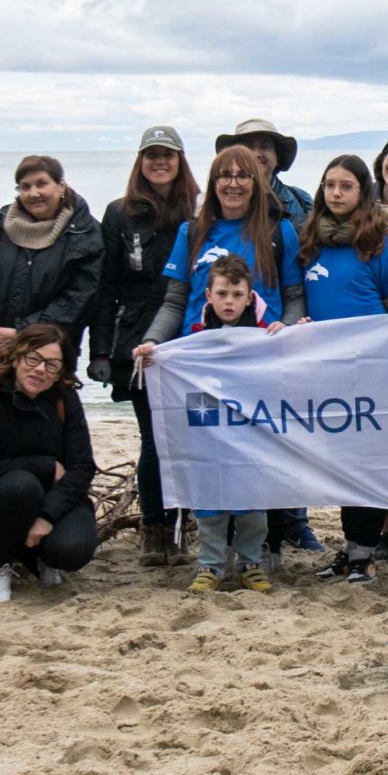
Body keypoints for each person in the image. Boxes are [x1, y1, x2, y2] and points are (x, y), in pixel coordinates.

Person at [298, 154, 388, 583]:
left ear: (362, 192)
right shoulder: (309, 242)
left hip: (368, 379)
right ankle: (351, 550)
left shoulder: (381, 244)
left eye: (346, 186)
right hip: (321, 377)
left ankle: (363, 554)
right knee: (335, 465)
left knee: (364, 465)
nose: (335, 193)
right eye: (329, 185)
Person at [88, 127, 197, 562]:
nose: (160, 162)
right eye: (151, 154)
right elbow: (105, 286)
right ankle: (155, 526)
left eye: (167, 154)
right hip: (135, 341)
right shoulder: (119, 214)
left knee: (189, 437)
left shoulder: (197, 210)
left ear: (179, 160)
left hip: (187, 338)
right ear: (140, 161)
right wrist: (98, 351)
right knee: (155, 439)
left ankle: (183, 521)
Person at [137, 255, 277, 593]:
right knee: (209, 503)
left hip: (250, 430)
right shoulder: (194, 335)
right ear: (209, 295)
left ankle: (250, 562)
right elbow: (175, 367)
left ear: (250, 296)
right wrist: (152, 353)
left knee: (252, 504)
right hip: (208, 429)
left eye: (237, 294)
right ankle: (211, 565)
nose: (229, 301)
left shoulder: (267, 331)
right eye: (223, 293)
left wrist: (293, 335)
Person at [0, 323, 99, 602]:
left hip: (58, 500)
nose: (40, 370)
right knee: (20, 485)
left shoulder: (66, 400)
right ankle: (1, 565)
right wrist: (44, 465)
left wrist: (47, 516)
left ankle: (38, 557)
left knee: (71, 550)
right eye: (33, 359)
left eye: (52, 365)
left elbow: (83, 466)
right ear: (16, 357)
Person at [133, 143, 308, 349]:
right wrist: (153, 341)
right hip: (200, 352)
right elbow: (174, 302)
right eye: (225, 175)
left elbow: (294, 296)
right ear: (214, 183)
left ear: (256, 183)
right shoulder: (191, 232)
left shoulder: (280, 231)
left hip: (262, 352)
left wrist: (286, 326)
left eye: (243, 176)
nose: (233, 184)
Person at [0, 154, 104, 377]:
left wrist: (23, 333)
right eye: (25, 186)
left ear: (61, 186)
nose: (34, 193)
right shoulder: (1, 224)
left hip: (49, 362)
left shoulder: (85, 233)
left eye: (42, 184)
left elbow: (80, 297)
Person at [215, 117, 311, 218]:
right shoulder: (215, 202)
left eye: (265, 146)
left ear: (278, 157)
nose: (257, 154)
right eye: (248, 147)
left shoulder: (301, 201)